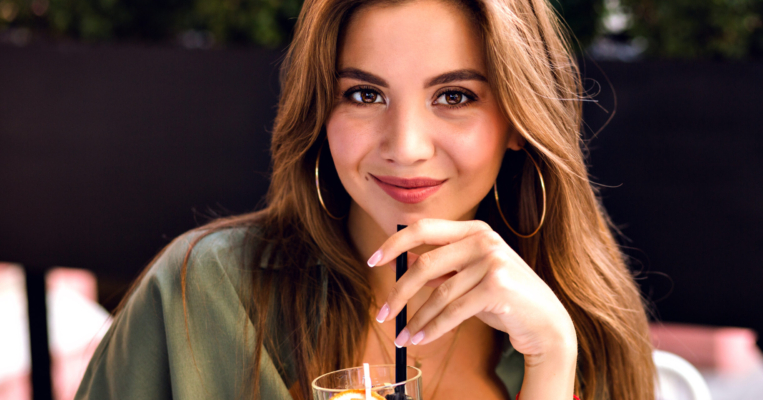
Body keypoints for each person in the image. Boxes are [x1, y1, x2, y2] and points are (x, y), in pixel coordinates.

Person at [74, 0, 655, 399]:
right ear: (320, 112)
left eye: (454, 96)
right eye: (364, 93)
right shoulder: (203, 292)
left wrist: (552, 360)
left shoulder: (583, 327)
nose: (405, 147)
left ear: (517, 120)